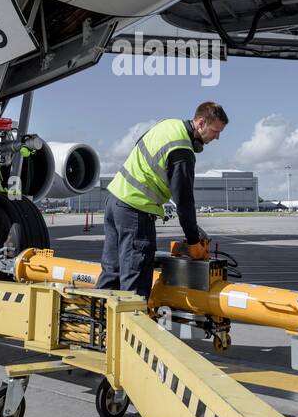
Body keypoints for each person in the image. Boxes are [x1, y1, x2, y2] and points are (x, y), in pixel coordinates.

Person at [97, 101, 228, 297]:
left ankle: (100, 325)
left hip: (115, 201)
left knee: (112, 274)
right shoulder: (182, 151)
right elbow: (184, 202)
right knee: (135, 286)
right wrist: (193, 241)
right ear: (201, 123)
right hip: (136, 211)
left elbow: (139, 145)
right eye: (215, 131)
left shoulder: (168, 124)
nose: (217, 137)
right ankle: (131, 325)